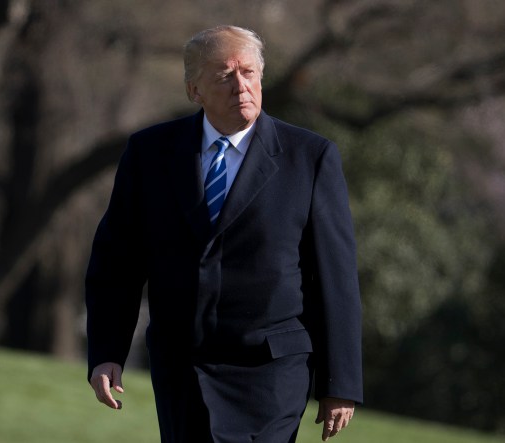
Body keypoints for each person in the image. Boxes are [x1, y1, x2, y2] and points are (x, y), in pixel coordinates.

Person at [85, 25, 362, 442]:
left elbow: (334, 278)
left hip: (270, 371)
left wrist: (339, 382)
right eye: (224, 76)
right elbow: (117, 261)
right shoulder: (150, 154)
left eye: (249, 73)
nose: (241, 86)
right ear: (194, 90)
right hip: (183, 365)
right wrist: (107, 351)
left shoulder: (310, 157)